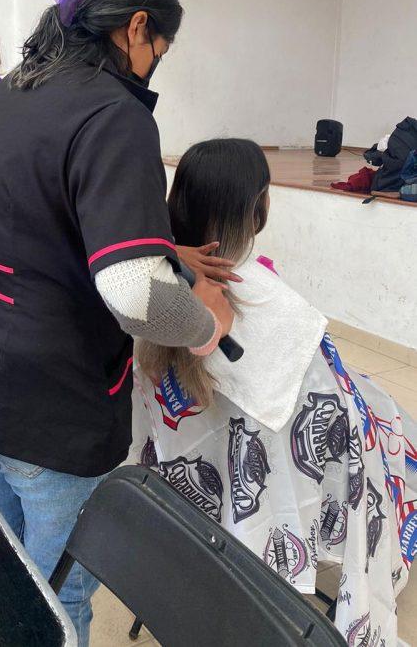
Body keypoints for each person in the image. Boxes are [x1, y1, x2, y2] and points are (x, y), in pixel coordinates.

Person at [0, 0, 235, 645]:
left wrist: (156, 246)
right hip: (51, 405)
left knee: (2, 571)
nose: (156, 60)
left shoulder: (15, 88)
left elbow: (41, 215)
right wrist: (204, 325)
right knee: (56, 596)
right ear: (136, 28)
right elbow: (133, 294)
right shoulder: (114, 114)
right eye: (160, 46)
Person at [130, 139, 416, 647]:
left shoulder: (150, 297)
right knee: (389, 417)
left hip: (190, 496)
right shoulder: (288, 318)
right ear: (258, 207)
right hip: (286, 482)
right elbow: (345, 428)